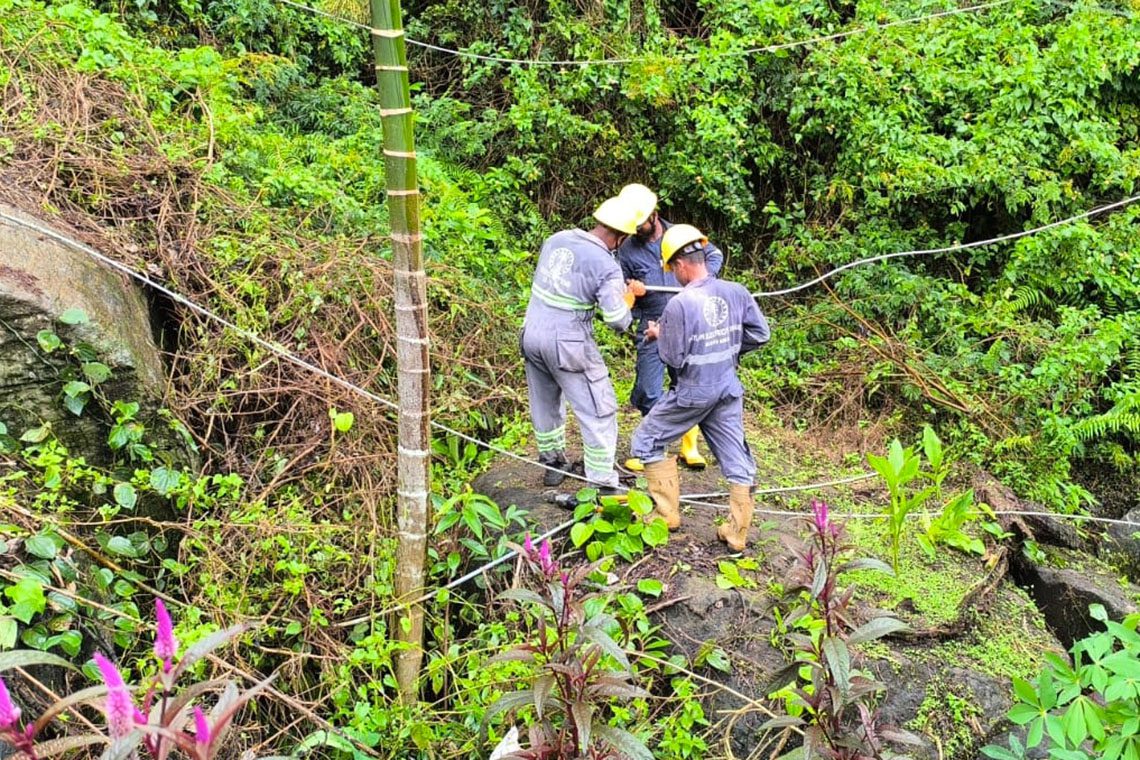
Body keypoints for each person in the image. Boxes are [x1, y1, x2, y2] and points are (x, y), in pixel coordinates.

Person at [629, 224, 770, 551]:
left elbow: (673, 358)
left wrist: (658, 335)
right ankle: (737, 533)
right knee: (736, 459)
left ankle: (666, 516)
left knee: (646, 440)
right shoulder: (736, 291)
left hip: (693, 392)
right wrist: (730, 348)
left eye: (672, 269)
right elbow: (760, 334)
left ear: (679, 264)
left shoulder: (680, 304)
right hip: (726, 388)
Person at [521, 195, 643, 491]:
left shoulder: (557, 239)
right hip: (568, 343)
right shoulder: (606, 265)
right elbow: (617, 319)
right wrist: (631, 296)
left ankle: (552, 462)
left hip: (531, 332)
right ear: (622, 236)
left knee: (545, 401)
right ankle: (602, 481)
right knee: (599, 407)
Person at [616, 184, 724, 473]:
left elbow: (713, 256)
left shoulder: (681, 235)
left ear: (655, 214)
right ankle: (655, 447)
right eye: (633, 223)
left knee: (687, 382)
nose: (637, 227)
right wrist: (632, 291)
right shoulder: (627, 250)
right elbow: (620, 286)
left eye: (642, 221)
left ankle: (690, 445)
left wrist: (700, 280)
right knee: (648, 388)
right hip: (652, 320)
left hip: (688, 318)